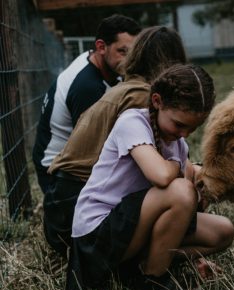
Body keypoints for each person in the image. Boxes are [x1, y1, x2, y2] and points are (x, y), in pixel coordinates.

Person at [66, 64, 234, 290]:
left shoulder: (177, 142)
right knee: (182, 191)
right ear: (157, 101)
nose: (184, 134)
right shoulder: (132, 122)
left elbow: (183, 211)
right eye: (179, 124)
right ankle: (151, 282)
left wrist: (198, 259)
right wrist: (180, 165)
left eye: (193, 128)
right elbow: (161, 176)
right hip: (98, 235)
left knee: (223, 231)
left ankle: (149, 262)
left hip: (134, 228)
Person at [42, 26, 188, 257]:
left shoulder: (127, 87)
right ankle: (147, 268)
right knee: (178, 198)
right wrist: (180, 166)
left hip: (62, 201)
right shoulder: (142, 97)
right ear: (174, 62)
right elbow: (157, 174)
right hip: (76, 213)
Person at [32, 14, 141, 194]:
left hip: (64, 164)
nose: (130, 60)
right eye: (123, 52)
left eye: (133, 53)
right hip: (57, 176)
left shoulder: (93, 61)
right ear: (101, 47)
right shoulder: (88, 88)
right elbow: (93, 148)